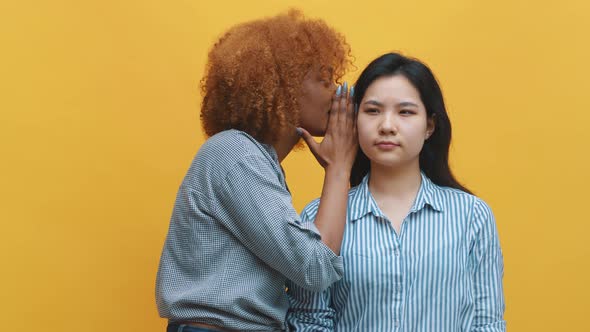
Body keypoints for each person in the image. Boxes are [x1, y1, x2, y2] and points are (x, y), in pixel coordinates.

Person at [155, 9, 358, 332]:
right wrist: (338, 169)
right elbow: (314, 265)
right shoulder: (235, 155)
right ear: (284, 86)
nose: (336, 92)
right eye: (323, 79)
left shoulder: (256, 162)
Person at [286, 52, 505, 331]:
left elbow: (487, 323)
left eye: (405, 112)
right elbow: (309, 321)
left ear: (429, 126)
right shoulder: (319, 216)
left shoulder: (472, 216)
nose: (387, 126)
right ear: (354, 121)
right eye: (373, 111)